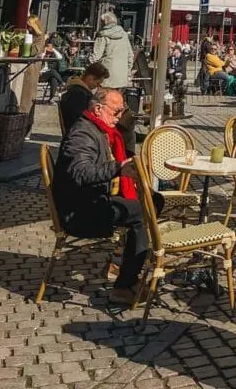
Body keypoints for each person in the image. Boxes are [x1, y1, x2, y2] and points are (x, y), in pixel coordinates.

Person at [53, 87, 163, 310]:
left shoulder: (102, 129)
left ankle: (126, 257)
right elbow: (81, 172)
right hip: (79, 211)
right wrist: (118, 168)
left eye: (122, 111)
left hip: (95, 198)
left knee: (155, 200)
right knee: (140, 213)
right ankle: (124, 285)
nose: (119, 117)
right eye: (116, 111)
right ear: (97, 109)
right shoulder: (82, 134)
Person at [91, 12, 135, 152]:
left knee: (103, 109)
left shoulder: (103, 35)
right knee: (119, 109)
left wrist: (91, 70)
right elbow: (130, 56)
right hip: (121, 79)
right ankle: (120, 139)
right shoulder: (124, 35)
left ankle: (104, 139)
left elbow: (95, 57)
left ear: (104, 22)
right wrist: (126, 72)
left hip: (106, 79)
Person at [59, 62, 110, 134]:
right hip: (79, 133)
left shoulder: (77, 89)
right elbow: (78, 119)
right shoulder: (79, 94)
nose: (97, 86)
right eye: (97, 83)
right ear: (90, 78)